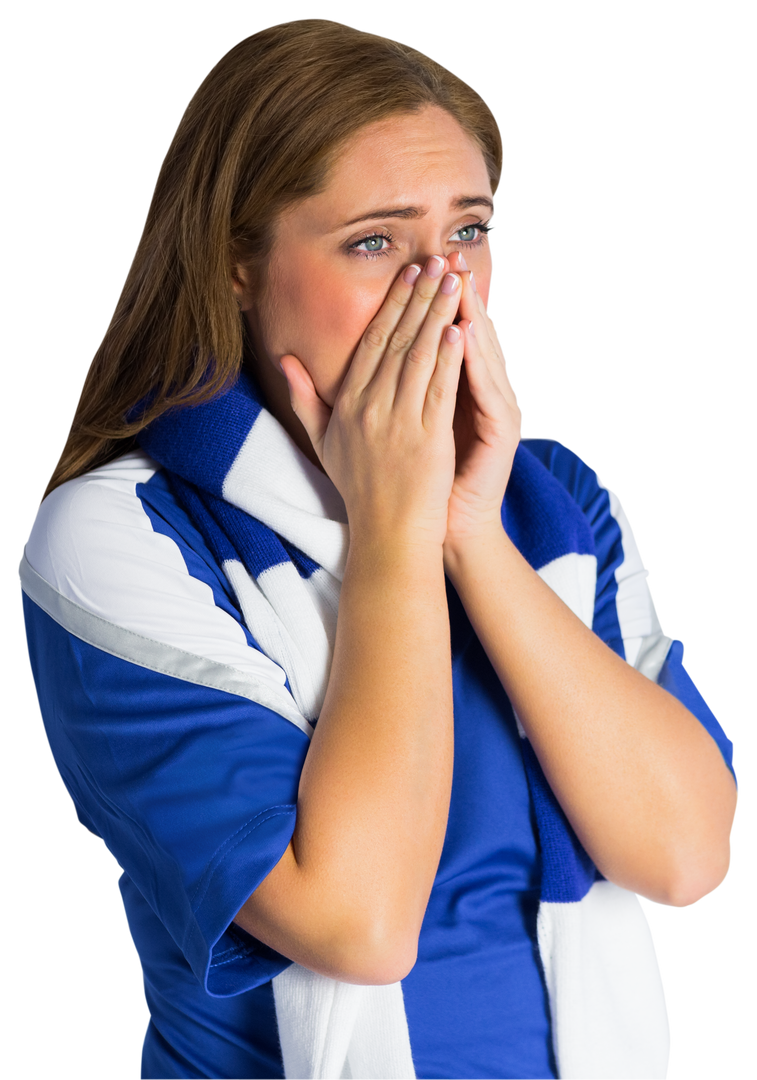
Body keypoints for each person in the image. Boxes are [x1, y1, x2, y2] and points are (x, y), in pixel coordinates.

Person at [16, 16, 740, 1080]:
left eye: (468, 233)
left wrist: (466, 532)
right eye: (374, 242)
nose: (439, 289)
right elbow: (356, 924)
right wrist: (394, 529)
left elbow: (685, 856)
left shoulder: (554, 503)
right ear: (234, 264)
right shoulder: (120, 537)